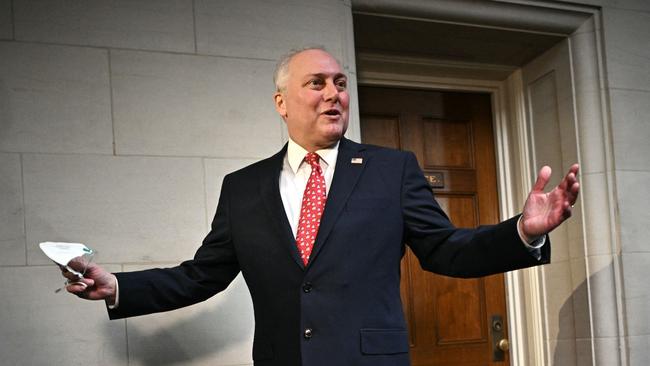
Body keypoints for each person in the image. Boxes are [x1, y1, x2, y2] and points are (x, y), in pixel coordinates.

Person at [62, 47, 580, 366]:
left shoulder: (391, 169)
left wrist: (523, 233)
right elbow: (202, 274)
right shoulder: (243, 188)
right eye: (317, 83)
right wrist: (121, 288)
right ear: (282, 102)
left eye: (340, 83)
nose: (333, 93)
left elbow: (446, 250)